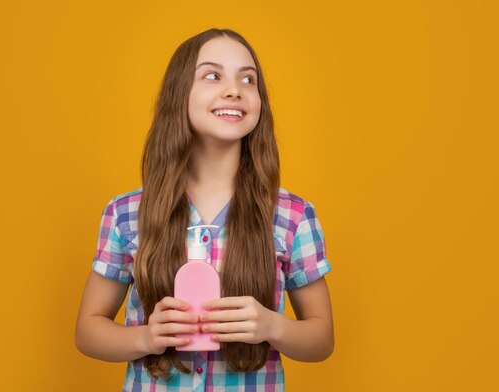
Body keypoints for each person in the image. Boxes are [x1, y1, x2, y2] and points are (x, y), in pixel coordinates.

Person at [75, 28, 334, 391]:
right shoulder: (126, 213)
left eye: (248, 79)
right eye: (213, 75)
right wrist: (147, 338)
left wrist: (272, 326)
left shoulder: (292, 216)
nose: (234, 89)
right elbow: (88, 330)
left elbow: (321, 339)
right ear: (179, 94)